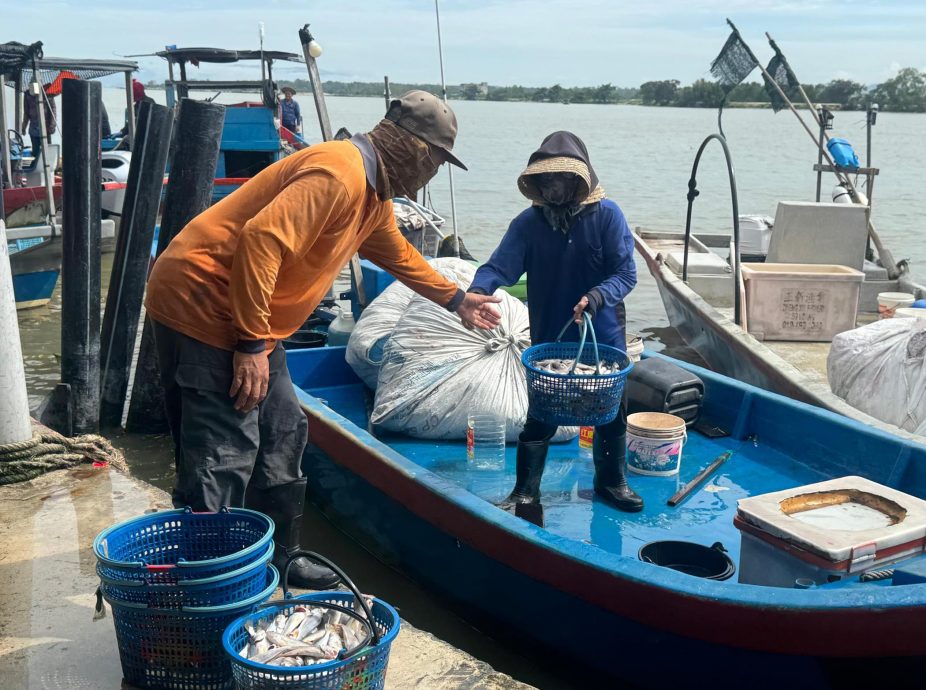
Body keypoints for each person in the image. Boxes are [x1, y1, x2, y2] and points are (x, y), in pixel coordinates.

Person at [144, 90, 502, 588]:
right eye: (436, 162)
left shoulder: (371, 195)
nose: (432, 175)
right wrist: (249, 344)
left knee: (285, 429)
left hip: (254, 316)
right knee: (225, 446)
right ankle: (210, 578)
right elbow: (262, 240)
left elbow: (397, 253)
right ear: (415, 149)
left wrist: (457, 300)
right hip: (205, 303)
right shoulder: (340, 173)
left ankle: (280, 559)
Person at [467, 131, 642, 515]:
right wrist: (479, 290)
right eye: (545, 180)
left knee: (611, 414)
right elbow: (499, 266)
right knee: (541, 415)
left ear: (578, 181)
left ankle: (611, 481)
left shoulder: (608, 216)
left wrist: (596, 296)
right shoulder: (528, 224)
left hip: (604, 336)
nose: (552, 187)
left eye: (559, 179)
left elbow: (626, 275)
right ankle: (527, 490)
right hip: (551, 336)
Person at [21, 86, 56, 158]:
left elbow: (53, 112)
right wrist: (23, 127)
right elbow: (26, 112)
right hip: (33, 129)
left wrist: (52, 126)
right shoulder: (27, 94)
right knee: (36, 152)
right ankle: (37, 165)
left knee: (47, 151)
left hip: (46, 129)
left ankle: (47, 166)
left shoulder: (48, 93)